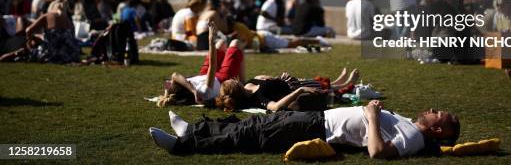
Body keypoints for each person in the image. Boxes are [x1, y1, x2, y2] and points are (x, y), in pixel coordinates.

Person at [150, 101, 460, 159]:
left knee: (251, 135)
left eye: (439, 115)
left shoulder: (414, 139)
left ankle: (183, 146)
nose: (433, 110)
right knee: (254, 123)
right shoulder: (411, 126)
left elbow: (377, 152)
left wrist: (371, 115)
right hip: (320, 118)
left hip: (320, 129)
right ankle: (193, 129)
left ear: (439, 132)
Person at [157, 23, 245, 106]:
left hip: (204, 75)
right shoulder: (203, 93)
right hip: (222, 78)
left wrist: (193, 90)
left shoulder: (188, 89)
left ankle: (241, 81)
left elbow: (175, 75)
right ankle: (242, 83)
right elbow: (212, 65)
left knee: (221, 43)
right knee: (235, 43)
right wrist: (211, 39)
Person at [215, 68, 360, 112]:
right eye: (233, 81)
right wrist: (300, 90)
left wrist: (275, 77)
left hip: (289, 81)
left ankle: (340, 82)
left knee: (320, 83)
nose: (235, 78)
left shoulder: (248, 84)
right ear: (236, 86)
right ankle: (346, 84)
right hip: (293, 89)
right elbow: (276, 107)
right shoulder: (258, 98)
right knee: (322, 89)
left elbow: (263, 77)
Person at [1, 0, 80, 64]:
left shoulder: (47, 16)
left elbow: (28, 30)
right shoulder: (69, 22)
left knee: (25, 52)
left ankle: (16, 53)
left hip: (51, 54)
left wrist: (31, 39)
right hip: (70, 55)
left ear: (51, 7)